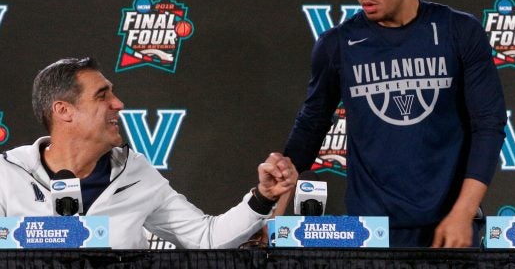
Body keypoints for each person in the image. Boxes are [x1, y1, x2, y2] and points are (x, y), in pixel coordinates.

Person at [283, 0, 507, 247]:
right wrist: (270, 210)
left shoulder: (458, 32)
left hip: (449, 227)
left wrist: (463, 212)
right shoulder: (337, 45)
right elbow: (311, 127)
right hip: (370, 231)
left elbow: (489, 125)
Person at [0, 57, 298, 249]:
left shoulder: (135, 172)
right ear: (64, 111)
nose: (118, 103)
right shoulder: (7, 174)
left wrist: (262, 198)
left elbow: (205, 238)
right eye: (102, 95)